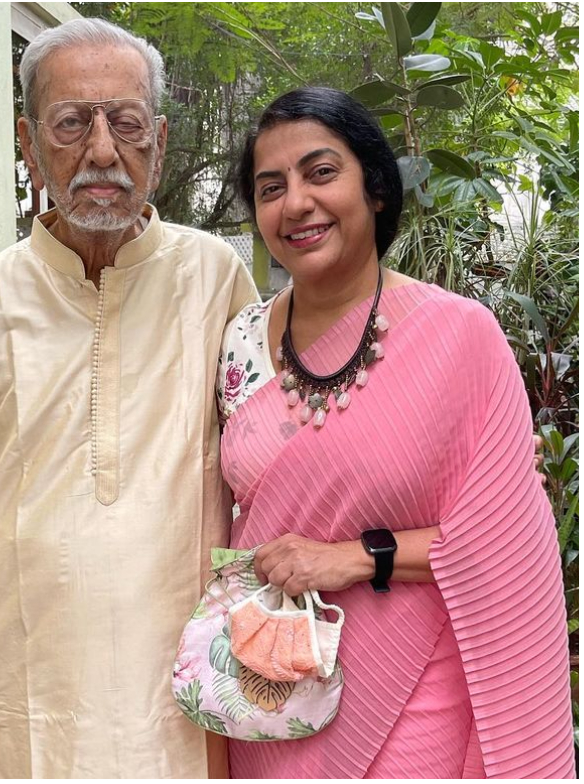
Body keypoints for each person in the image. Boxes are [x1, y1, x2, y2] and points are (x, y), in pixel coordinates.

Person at [0, 18, 258, 778]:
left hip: (178, 675)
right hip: (18, 680)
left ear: (157, 140)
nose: (102, 151)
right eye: (71, 123)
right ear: (29, 144)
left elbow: (277, 442)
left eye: (125, 123)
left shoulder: (215, 277)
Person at [219, 87, 573, 778]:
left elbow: (504, 535)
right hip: (267, 686)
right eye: (271, 187)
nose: (295, 203)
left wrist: (353, 556)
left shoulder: (457, 335)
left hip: (413, 694)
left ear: (376, 189)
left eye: (321, 172)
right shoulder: (238, 340)